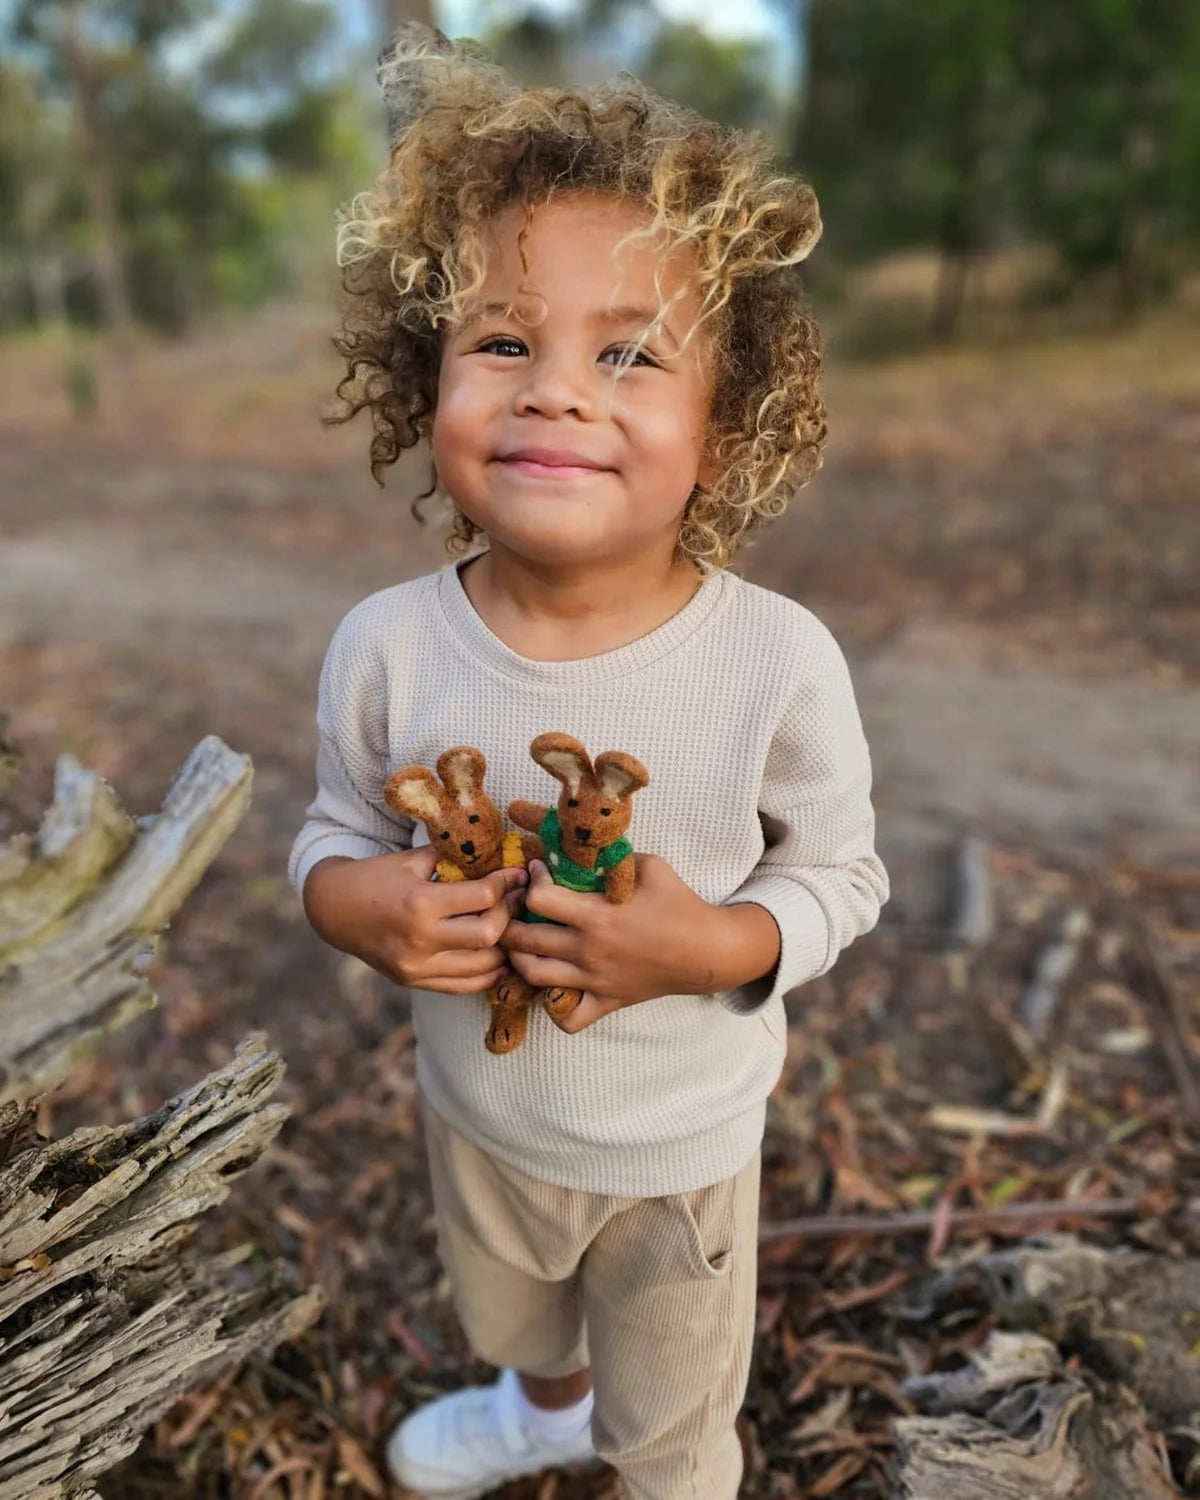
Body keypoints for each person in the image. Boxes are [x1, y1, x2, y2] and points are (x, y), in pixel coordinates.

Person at [289, 24, 889, 1500]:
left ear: (725, 423)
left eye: (630, 354)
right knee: (520, 1319)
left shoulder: (774, 661)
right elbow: (327, 835)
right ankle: (542, 1406)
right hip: (479, 1117)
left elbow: (843, 873)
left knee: (673, 1426)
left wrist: (722, 942)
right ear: (420, 376)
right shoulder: (388, 646)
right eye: (504, 341)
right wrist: (358, 908)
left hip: (682, 1147)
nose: (556, 390)